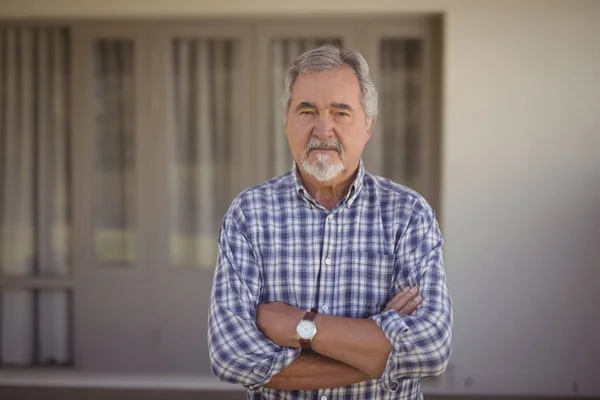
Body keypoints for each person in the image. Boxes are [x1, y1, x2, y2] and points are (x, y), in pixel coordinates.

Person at [208, 44, 452, 399]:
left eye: (341, 112)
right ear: (286, 121)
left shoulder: (408, 215)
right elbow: (232, 356)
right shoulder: (249, 214)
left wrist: (300, 327)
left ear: (368, 125)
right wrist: (374, 348)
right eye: (307, 110)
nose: (324, 128)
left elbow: (431, 348)